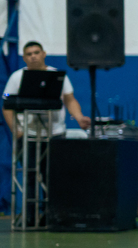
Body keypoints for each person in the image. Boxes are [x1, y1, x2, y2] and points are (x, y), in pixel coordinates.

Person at [3, 41, 92, 220]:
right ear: (24, 57)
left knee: (53, 176)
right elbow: (6, 103)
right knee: (30, 176)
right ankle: (29, 216)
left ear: (43, 54)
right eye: (29, 54)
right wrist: (16, 130)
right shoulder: (16, 77)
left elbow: (69, 99)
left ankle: (52, 216)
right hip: (28, 136)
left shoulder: (58, 76)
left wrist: (79, 117)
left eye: (36, 52)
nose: (33, 56)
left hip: (54, 134)